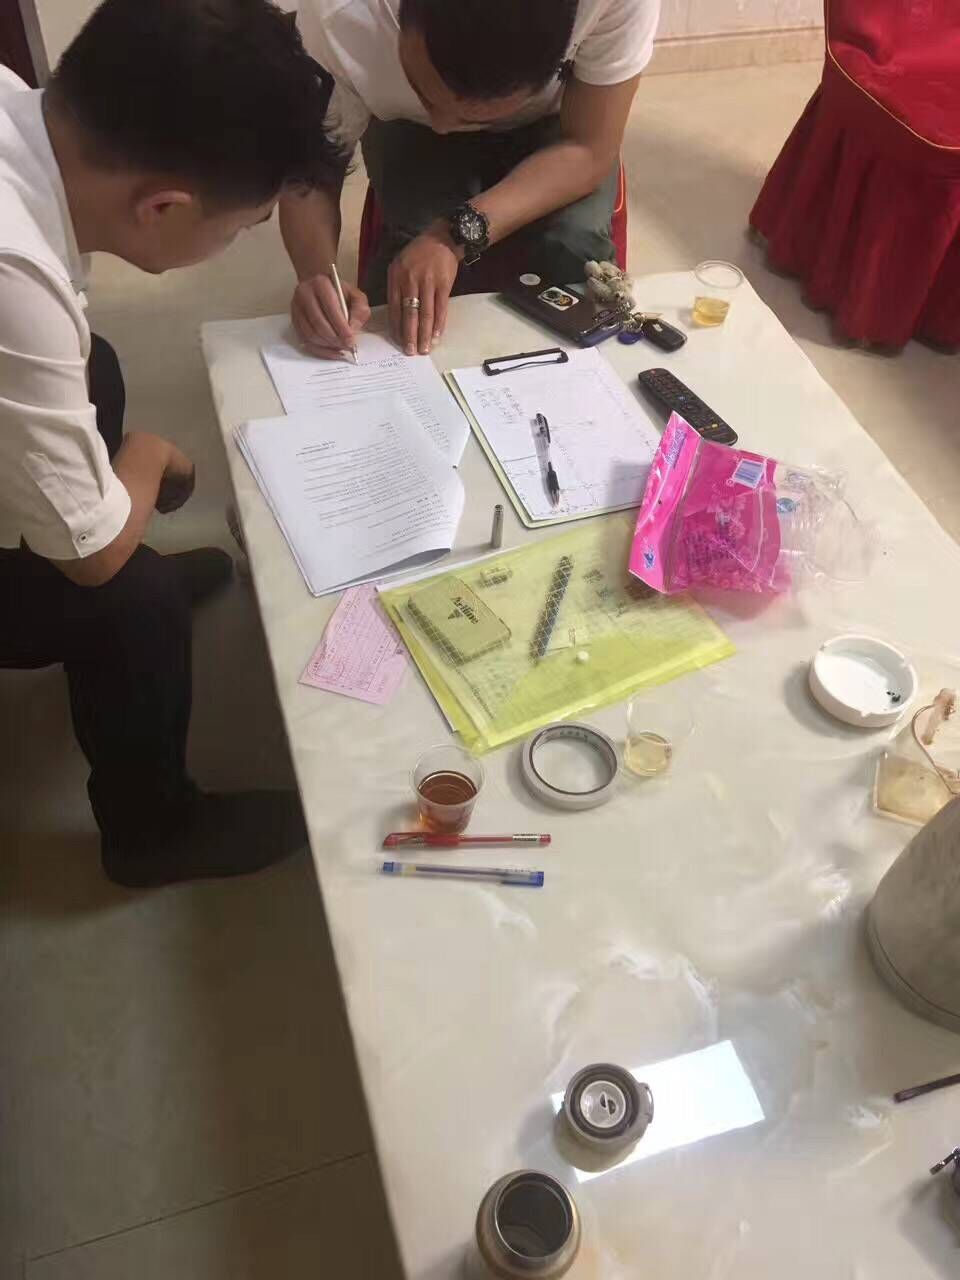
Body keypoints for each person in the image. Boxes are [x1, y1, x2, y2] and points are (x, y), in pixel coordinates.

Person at [0, 0, 343, 887]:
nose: (233, 243)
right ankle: (151, 832)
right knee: (130, 593)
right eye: (238, 228)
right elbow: (93, 559)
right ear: (162, 207)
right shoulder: (13, 275)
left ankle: (69, 538)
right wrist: (150, 457)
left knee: (97, 366)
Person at [282, 0, 660, 359]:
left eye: (467, 117)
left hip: (558, 122)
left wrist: (453, 235)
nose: (443, 126)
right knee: (410, 257)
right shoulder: (339, 15)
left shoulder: (612, 6)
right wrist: (317, 275)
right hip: (405, 123)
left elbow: (589, 148)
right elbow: (310, 171)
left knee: (574, 248)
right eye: (423, 91)